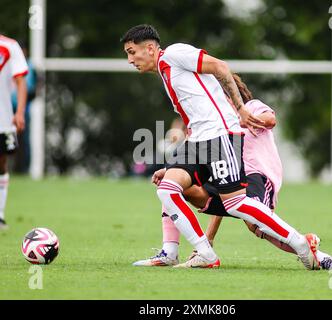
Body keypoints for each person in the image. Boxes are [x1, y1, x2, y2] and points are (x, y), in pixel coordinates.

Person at [121, 24, 320, 269]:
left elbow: (221, 67)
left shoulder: (174, 53)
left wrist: (241, 109)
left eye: (132, 52)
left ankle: (300, 244)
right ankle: (178, 253)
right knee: (168, 186)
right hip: (198, 140)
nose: (130, 59)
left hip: (219, 136)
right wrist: (177, 163)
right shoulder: (165, 72)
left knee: (235, 204)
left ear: (150, 48)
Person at [133, 74, 332, 271]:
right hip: (233, 178)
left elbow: (270, 119)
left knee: (256, 226)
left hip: (256, 176)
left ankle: (321, 257)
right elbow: (224, 182)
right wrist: (209, 236)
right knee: (174, 184)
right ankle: (169, 251)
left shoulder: (250, 107)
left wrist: (239, 120)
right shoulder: (214, 128)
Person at [0, 34, 28, 230]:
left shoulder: (10, 46)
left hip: (3, 118)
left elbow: (20, 80)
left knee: (1, 164)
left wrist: (19, 112)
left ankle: (0, 214)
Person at [11, 42, 37, 174]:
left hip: (24, 110)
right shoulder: (9, 64)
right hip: (8, 110)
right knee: (9, 140)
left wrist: (22, 107)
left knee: (24, 141)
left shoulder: (31, 66)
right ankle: (10, 169)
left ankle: (24, 169)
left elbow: (35, 89)